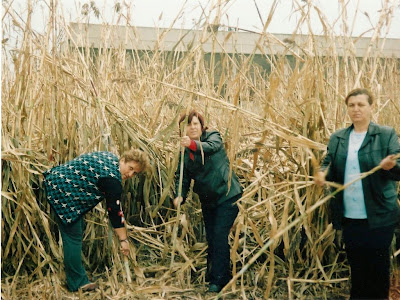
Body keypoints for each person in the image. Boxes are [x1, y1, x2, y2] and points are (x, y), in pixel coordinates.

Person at [314, 88, 400, 299]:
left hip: (379, 214)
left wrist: (391, 166)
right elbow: (329, 163)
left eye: (361, 105)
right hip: (350, 215)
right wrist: (322, 174)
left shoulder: (385, 134)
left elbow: (399, 166)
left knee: (378, 269)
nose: (356, 109)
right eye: (351, 105)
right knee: (357, 266)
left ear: (371, 107)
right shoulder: (338, 137)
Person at [42, 149, 150, 292]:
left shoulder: (110, 157)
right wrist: (124, 240)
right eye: (130, 168)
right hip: (62, 192)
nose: (130, 175)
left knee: (74, 233)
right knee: (73, 237)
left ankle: (76, 276)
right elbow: (115, 213)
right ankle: (77, 283)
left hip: (57, 178)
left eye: (134, 173)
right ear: (123, 159)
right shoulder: (112, 181)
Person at [173, 110, 243, 293]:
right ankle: (214, 274)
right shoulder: (185, 153)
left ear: (201, 125)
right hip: (208, 200)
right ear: (183, 129)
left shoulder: (212, 136)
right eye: (188, 125)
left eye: (195, 123)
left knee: (219, 235)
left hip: (227, 196)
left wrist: (192, 144)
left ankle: (220, 281)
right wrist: (180, 195)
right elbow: (183, 177)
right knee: (211, 236)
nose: (193, 127)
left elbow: (211, 147)